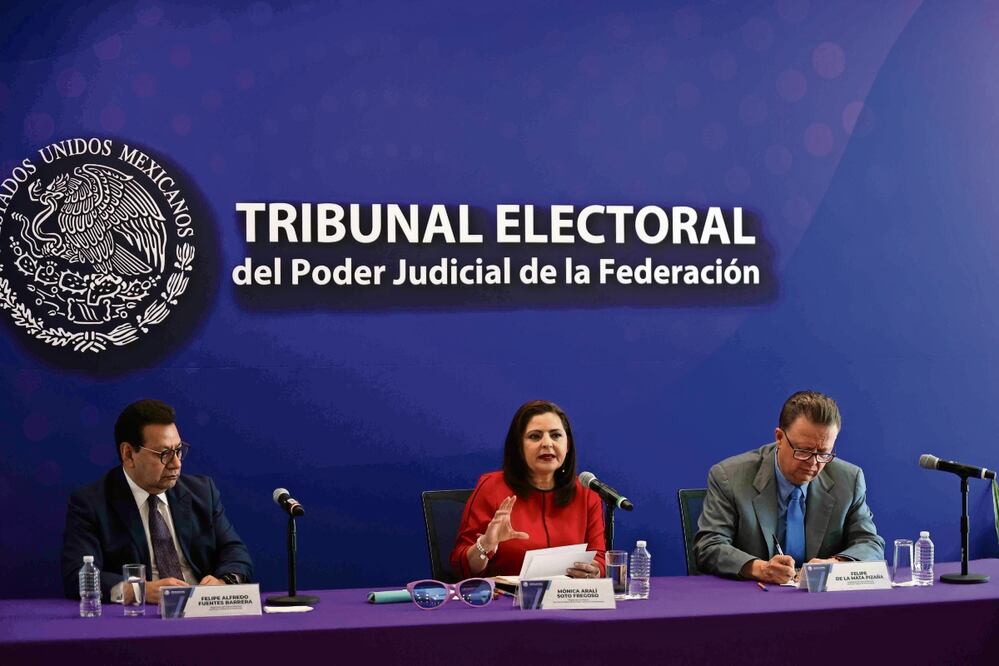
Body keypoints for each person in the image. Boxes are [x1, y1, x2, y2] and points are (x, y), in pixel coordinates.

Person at [60, 399, 253, 603]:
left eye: (179, 450)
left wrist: (224, 583)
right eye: (164, 454)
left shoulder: (202, 492)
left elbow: (235, 552)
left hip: (203, 609)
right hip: (142, 618)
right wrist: (138, 591)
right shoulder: (91, 504)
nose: (176, 463)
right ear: (128, 454)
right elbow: (77, 577)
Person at [693, 390, 884, 583]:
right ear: (779, 438)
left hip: (822, 601)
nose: (813, 462)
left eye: (823, 453)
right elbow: (709, 546)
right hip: (755, 598)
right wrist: (760, 568)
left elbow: (870, 543)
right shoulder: (729, 477)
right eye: (803, 450)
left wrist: (836, 564)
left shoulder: (849, 479)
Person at [450, 400, 606, 580]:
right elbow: (460, 565)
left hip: (568, 599)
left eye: (556, 435)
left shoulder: (586, 493)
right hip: (505, 603)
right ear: (519, 447)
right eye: (535, 436)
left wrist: (595, 570)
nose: (547, 443)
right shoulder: (491, 487)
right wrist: (485, 544)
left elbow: (599, 558)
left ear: (568, 445)